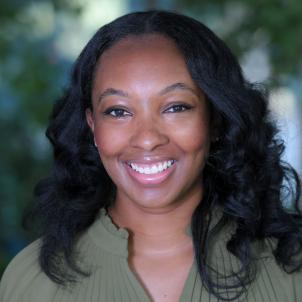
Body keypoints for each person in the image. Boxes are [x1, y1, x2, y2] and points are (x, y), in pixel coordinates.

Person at [0, 10, 301, 302]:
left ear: (215, 120)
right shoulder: (32, 281)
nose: (147, 139)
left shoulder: (291, 270)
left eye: (175, 107)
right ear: (92, 125)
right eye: (118, 111)